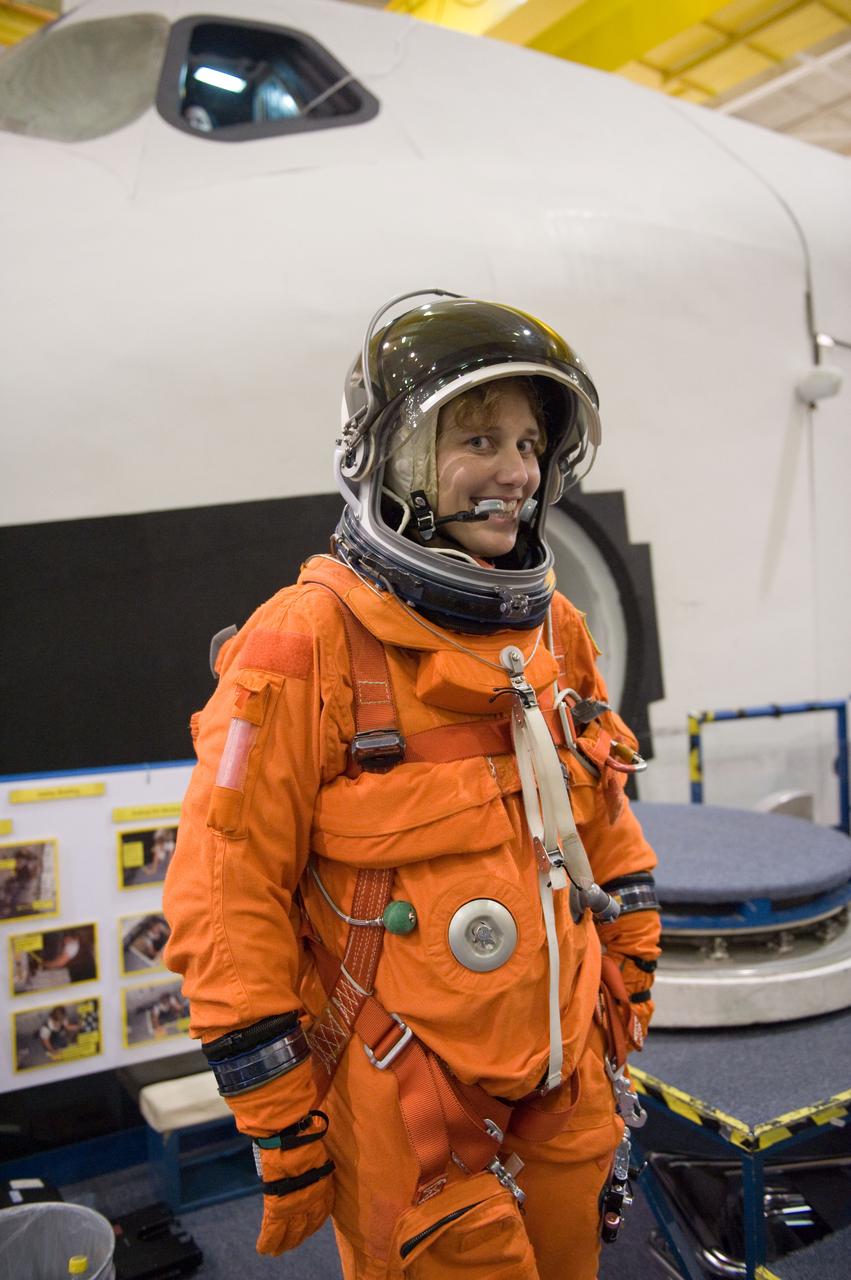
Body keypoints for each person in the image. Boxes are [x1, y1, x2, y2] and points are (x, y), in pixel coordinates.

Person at [164, 291, 661, 1279]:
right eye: (477, 437)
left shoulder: (550, 630)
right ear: (384, 456)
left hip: (566, 1075)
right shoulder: (300, 644)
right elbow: (227, 894)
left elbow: (602, 813)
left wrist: (628, 970)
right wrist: (277, 1110)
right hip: (405, 1092)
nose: (515, 470)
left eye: (527, 441)